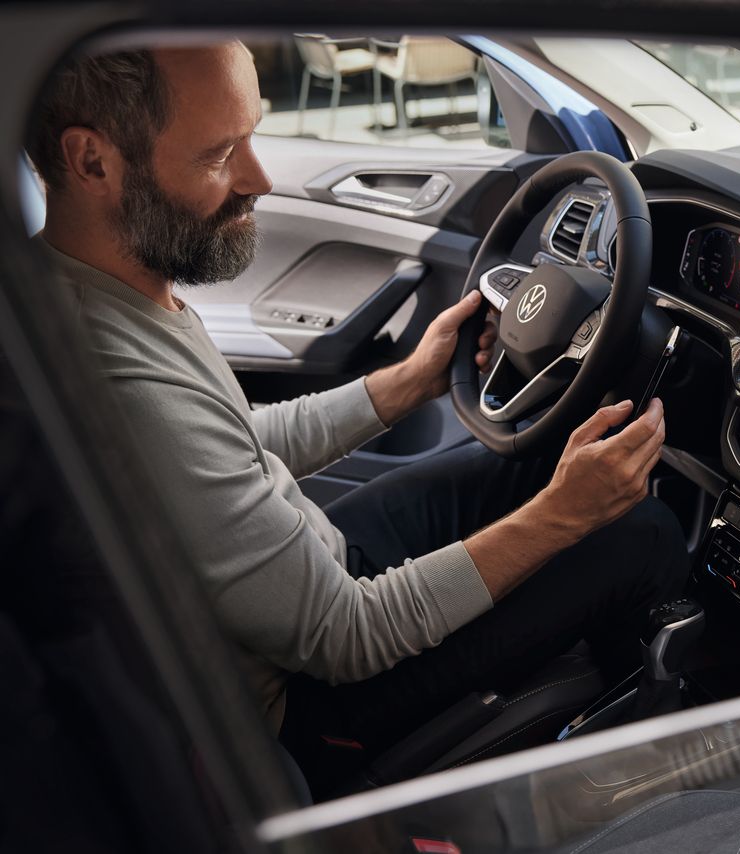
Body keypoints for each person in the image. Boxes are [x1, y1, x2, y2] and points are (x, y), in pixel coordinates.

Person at [27, 41, 688, 795]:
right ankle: (662, 771)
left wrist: (407, 384)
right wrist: (562, 519)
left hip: (305, 574)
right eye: (219, 155)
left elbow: (233, 443)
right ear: (91, 162)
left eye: (253, 136)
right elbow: (348, 636)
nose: (259, 179)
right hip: (308, 696)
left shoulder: (98, 289)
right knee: (643, 533)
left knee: (525, 463)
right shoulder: (114, 376)